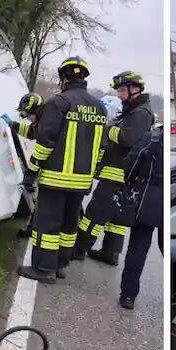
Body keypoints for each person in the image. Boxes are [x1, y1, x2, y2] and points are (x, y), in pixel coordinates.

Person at [18, 56, 106, 284]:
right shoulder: (100, 108)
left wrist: (31, 173)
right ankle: (60, 266)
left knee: (47, 224)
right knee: (69, 225)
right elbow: (101, 148)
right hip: (81, 182)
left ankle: (43, 268)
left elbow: (45, 143)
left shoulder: (58, 103)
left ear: (63, 78)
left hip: (56, 179)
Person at [73, 71, 155, 266]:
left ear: (134, 89)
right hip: (120, 173)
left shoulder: (140, 113)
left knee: (95, 213)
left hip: (117, 173)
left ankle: (78, 249)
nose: (118, 94)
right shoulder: (134, 110)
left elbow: (128, 138)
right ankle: (110, 253)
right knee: (115, 218)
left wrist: (108, 129)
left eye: (121, 90)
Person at [118, 124, 163, 309]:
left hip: (148, 197)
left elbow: (132, 163)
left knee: (138, 247)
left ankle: (128, 295)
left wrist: (129, 187)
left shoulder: (153, 137)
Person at [9, 92, 44, 238]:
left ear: (35, 110)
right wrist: (13, 125)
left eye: (27, 114)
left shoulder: (48, 122)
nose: (27, 118)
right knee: (42, 202)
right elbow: (31, 132)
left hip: (58, 173)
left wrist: (31, 175)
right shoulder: (45, 120)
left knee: (44, 204)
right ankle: (32, 229)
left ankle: (35, 231)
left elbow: (42, 150)